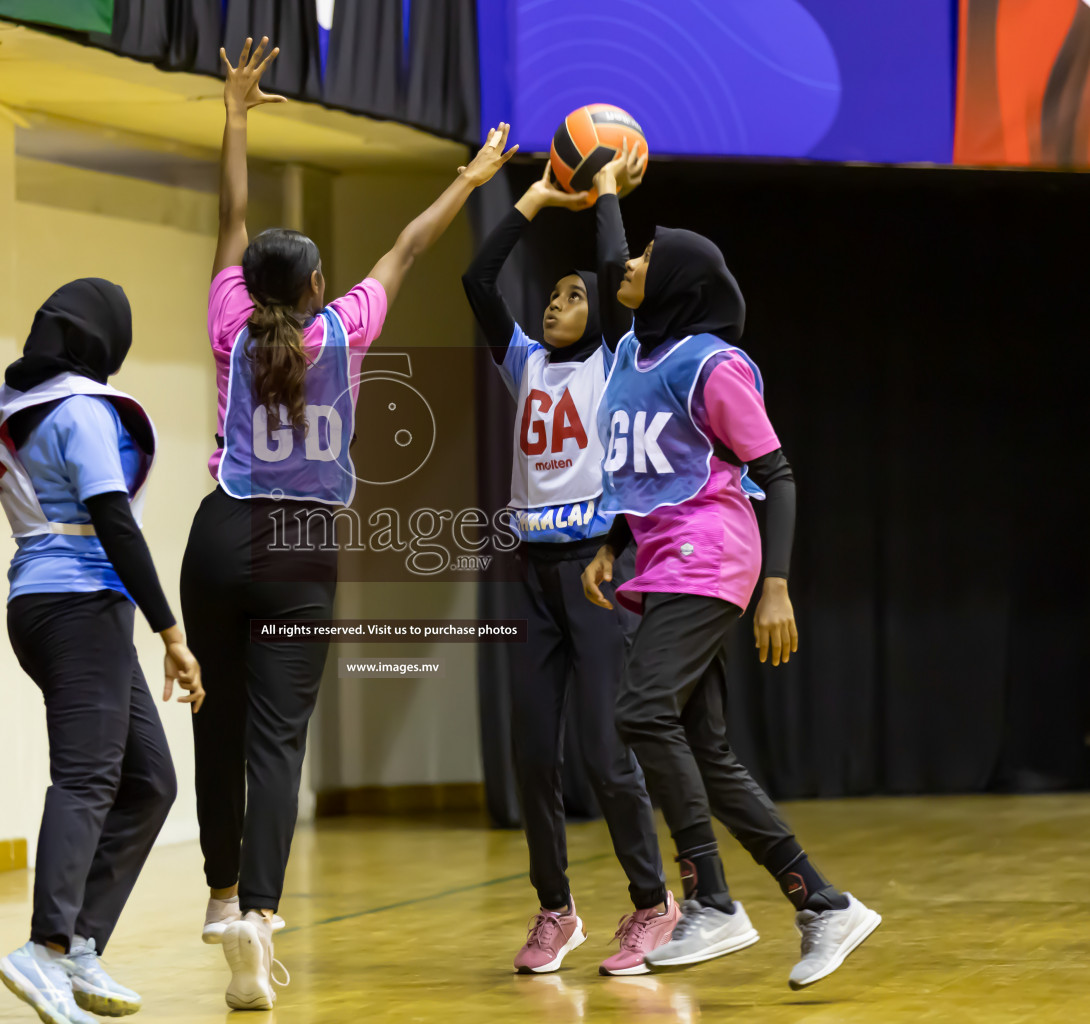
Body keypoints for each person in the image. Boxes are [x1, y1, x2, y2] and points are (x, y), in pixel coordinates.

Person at [181, 37, 517, 1011]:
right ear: (319, 289)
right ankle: (260, 917)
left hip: (218, 530)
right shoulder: (347, 328)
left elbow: (232, 214)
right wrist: (470, 175)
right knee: (279, 740)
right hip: (301, 547)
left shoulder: (227, 325)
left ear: (251, 287)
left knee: (219, 718)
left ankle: (214, 891)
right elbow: (410, 245)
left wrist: (238, 113)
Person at [581, 174, 881, 989]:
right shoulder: (634, 356)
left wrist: (776, 586)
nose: (629, 262)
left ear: (677, 282)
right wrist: (604, 190)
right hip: (661, 556)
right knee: (704, 748)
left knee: (642, 711)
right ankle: (823, 902)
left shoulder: (713, 367)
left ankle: (711, 899)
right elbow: (611, 267)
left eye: (648, 256)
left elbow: (776, 474)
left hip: (713, 553)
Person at [461, 152, 682, 975]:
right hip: (530, 576)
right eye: (551, 297)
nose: (557, 304)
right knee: (532, 755)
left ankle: (654, 902)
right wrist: (529, 202)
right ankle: (556, 911)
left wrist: (606, 195)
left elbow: (609, 266)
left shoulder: (612, 360)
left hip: (592, 572)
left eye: (572, 296)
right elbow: (478, 282)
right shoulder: (523, 362)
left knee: (602, 749)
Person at [0, 279, 204, 1024]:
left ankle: (79, 943)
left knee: (149, 780)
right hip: (78, 605)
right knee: (86, 777)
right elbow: (115, 521)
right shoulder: (79, 410)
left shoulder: (15, 402)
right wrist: (171, 632)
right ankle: (42, 951)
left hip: (49, 605)